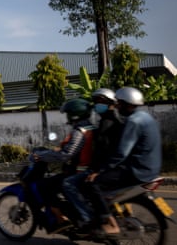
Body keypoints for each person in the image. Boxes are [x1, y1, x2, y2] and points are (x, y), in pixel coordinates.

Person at [86, 87, 162, 236]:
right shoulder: (146, 117)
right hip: (152, 168)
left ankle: (110, 223)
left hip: (137, 170)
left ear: (127, 104)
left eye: (119, 104)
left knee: (93, 184)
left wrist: (99, 171)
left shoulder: (133, 121)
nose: (117, 107)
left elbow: (121, 152)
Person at [62, 88, 124, 233]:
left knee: (68, 183)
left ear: (111, 103)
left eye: (101, 102)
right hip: (111, 166)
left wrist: (96, 171)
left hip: (105, 167)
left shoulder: (106, 123)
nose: (97, 105)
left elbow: (102, 152)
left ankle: (88, 219)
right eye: (96, 102)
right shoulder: (104, 122)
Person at [33, 98, 95, 234]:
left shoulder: (79, 132)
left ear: (74, 114)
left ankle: (61, 219)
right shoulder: (91, 127)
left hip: (78, 172)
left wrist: (42, 156)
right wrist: (53, 151)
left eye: (68, 113)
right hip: (86, 170)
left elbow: (66, 154)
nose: (67, 116)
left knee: (44, 185)